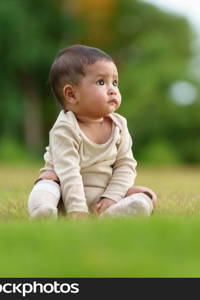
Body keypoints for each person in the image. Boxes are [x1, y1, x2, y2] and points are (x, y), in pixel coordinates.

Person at [27, 45, 157, 219]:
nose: (112, 89)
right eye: (101, 82)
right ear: (71, 95)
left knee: (148, 194)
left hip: (103, 196)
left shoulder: (119, 125)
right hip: (64, 196)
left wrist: (112, 196)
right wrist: (77, 209)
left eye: (115, 82)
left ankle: (114, 213)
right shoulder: (65, 128)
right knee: (48, 180)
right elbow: (69, 172)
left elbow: (126, 166)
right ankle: (43, 209)